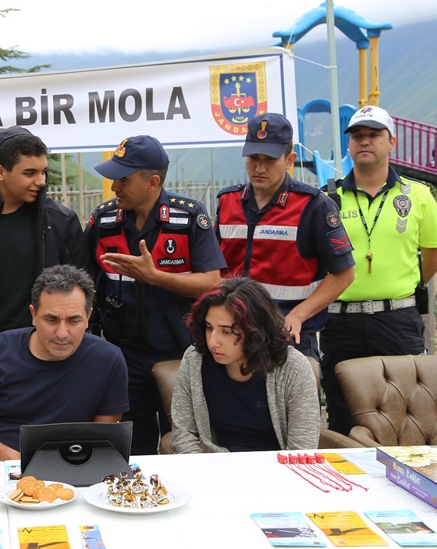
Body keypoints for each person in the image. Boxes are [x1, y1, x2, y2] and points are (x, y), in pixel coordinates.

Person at [87, 135, 225, 455]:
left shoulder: (188, 217)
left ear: (152, 182)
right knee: (130, 447)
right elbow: (85, 282)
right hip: (122, 356)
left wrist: (155, 278)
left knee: (184, 443)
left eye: (123, 180)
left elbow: (212, 282)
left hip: (180, 354)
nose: (114, 187)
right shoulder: (103, 220)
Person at [320, 105, 437, 435]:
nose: (365, 141)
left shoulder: (418, 196)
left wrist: (397, 285)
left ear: (392, 143)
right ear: (349, 145)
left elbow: (434, 257)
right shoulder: (327, 199)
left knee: (406, 413)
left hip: (398, 320)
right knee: (342, 415)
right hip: (340, 322)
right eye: (357, 136)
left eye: (374, 135)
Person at [0, 265, 128, 460]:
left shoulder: (108, 359)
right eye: (51, 320)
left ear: (88, 318)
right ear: (33, 315)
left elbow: (103, 439)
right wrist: (12, 459)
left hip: (74, 464)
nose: (62, 333)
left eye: (74, 321)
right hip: (1, 464)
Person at [216, 112, 355, 359]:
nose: (259, 168)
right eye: (253, 158)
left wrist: (298, 315)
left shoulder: (314, 206)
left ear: (289, 160)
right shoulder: (227, 201)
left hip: (288, 338)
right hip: (231, 337)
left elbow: (344, 274)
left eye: (270, 159)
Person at [0, 126, 87, 345]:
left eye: (43, 171)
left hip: (48, 347)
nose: (41, 181)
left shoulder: (62, 221)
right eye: (30, 173)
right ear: (0, 172)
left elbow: (82, 291)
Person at [171, 277, 321, 453]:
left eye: (226, 332)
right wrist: (205, 469)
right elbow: (183, 436)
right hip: (216, 466)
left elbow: (302, 448)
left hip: (277, 467)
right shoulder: (195, 358)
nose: (213, 342)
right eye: (209, 328)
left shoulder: (294, 367)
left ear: (255, 331)